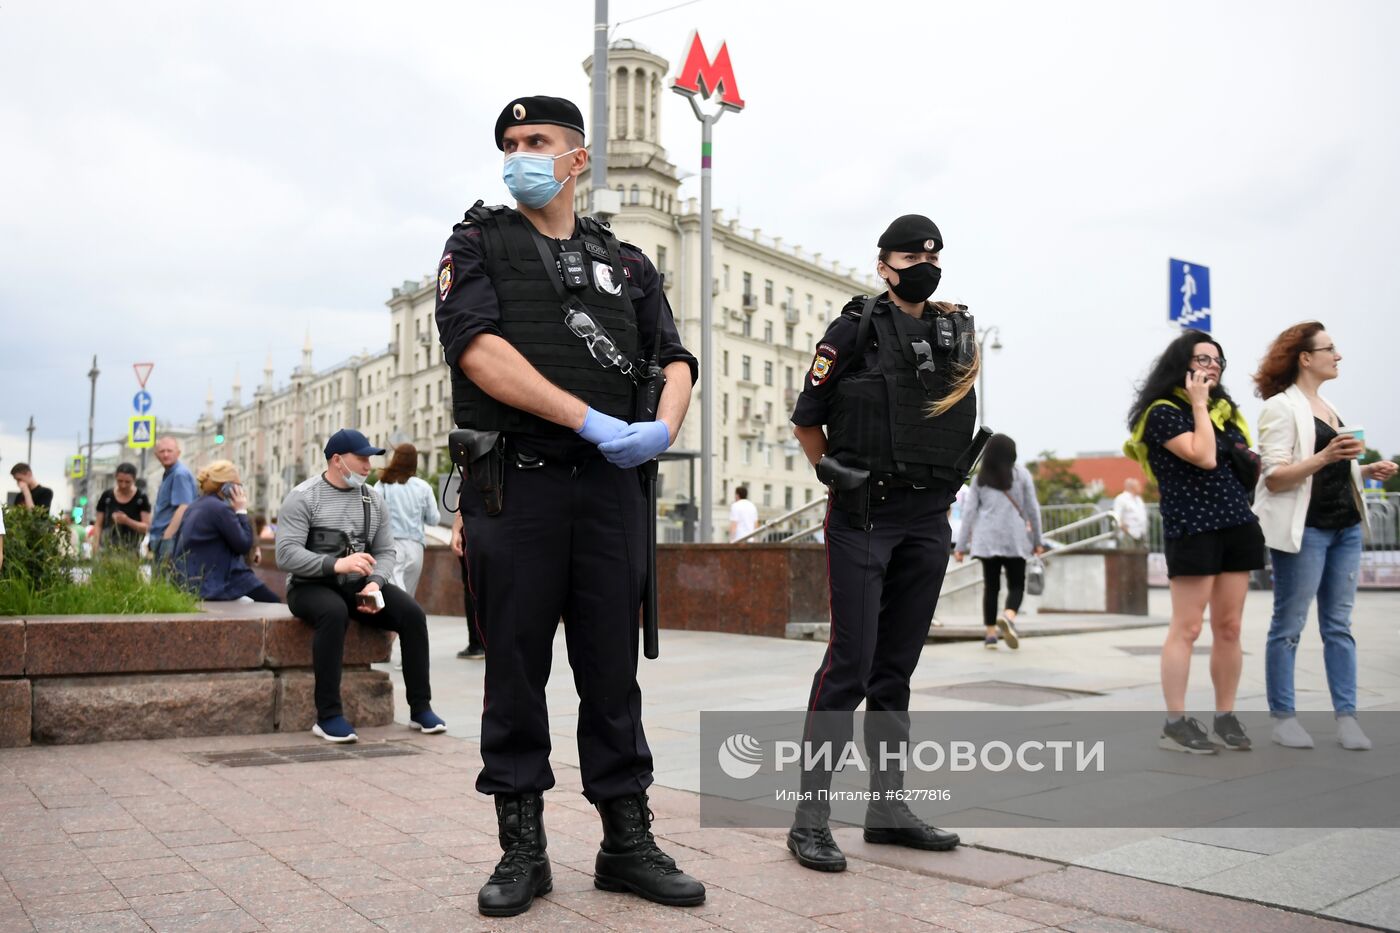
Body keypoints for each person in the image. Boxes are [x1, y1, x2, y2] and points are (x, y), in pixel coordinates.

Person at [435, 95, 703, 916]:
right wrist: (587, 418)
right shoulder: (477, 242)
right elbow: (478, 351)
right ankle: (523, 846)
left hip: (610, 492)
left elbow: (675, 356)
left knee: (611, 672)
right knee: (514, 667)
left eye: (537, 140)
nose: (520, 153)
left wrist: (659, 429)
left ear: (576, 157)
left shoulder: (626, 261)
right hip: (517, 486)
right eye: (509, 143)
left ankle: (626, 840)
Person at [787, 214, 977, 872]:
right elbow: (806, 416)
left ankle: (888, 808)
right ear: (883, 263)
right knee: (851, 664)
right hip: (866, 516)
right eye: (910, 253)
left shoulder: (955, 332)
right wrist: (827, 470)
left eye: (933, 252)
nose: (924, 261)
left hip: (929, 518)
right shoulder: (856, 328)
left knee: (896, 668)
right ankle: (809, 817)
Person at [1252, 322, 1398, 750]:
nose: (1338, 355)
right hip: (1307, 531)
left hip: (1346, 526)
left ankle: (1347, 718)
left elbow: (1329, 467)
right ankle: (1283, 718)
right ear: (1305, 357)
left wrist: (1364, 470)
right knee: (1289, 626)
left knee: (1339, 626)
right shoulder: (1280, 407)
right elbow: (1276, 477)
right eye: (1330, 348)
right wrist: (1326, 455)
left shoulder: (1329, 405)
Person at [1124, 330, 1262, 755]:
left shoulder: (1227, 412)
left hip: (1236, 521)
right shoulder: (1162, 412)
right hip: (1193, 526)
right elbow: (1203, 455)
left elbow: (1242, 462)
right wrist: (1199, 405)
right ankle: (1176, 721)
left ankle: (1225, 714)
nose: (1212, 366)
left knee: (1230, 627)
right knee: (1187, 627)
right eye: (1203, 359)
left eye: (1218, 360)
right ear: (1181, 365)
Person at [275, 429, 446, 744]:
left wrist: (376, 583)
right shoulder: (304, 496)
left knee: (412, 614)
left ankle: (421, 709)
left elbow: (385, 550)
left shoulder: (372, 498)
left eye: (370, 458)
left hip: (359, 586)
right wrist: (335, 565)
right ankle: (328, 716)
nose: (369, 466)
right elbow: (285, 554)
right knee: (334, 612)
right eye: (362, 458)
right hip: (309, 586)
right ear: (337, 460)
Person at [953, 434, 1044, 649]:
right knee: (1016, 584)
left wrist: (961, 546)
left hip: (987, 539)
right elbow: (1033, 510)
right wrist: (1038, 540)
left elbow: (969, 513)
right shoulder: (1021, 475)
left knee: (991, 587)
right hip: (1015, 538)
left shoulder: (980, 479)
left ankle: (991, 634)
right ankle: (1009, 616)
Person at [172, 460, 280, 603]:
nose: (240, 490)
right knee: (274, 602)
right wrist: (241, 510)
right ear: (227, 486)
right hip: (220, 580)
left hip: (194, 581)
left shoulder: (195, 506)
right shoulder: (220, 509)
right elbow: (243, 545)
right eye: (238, 485)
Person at [376, 444, 440, 598]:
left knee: (394, 594)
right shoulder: (424, 487)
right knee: (408, 596)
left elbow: (374, 515)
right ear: (415, 461)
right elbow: (434, 519)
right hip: (416, 546)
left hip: (389, 545)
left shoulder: (382, 485)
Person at [148, 437, 197, 561]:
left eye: (169, 451)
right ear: (156, 455)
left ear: (178, 453)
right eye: (162, 451)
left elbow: (184, 506)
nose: (165, 455)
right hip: (164, 537)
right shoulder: (170, 473)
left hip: (171, 539)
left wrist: (167, 536)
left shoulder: (179, 474)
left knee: (165, 578)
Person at [92, 463, 152, 555]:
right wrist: (95, 547)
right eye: (120, 481)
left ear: (134, 480)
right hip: (106, 547)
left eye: (127, 482)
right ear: (115, 478)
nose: (123, 485)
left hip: (131, 549)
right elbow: (98, 524)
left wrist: (126, 521)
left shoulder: (141, 498)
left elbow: (145, 527)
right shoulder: (107, 496)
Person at [450, 511, 485, 660]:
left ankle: (477, 643)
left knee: (472, 588)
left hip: (474, 528)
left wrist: (456, 530)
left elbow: (464, 501)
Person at [1113, 477, 1149, 546]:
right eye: (1138, 485)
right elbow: (1116, 516)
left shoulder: (1139, 499)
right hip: (1128, 534)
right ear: (1132, 487)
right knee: (1128, 555)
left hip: (1140, 534)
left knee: (1140, 556)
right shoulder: (1121, 498)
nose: (1140, 487)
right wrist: (1123, 528)